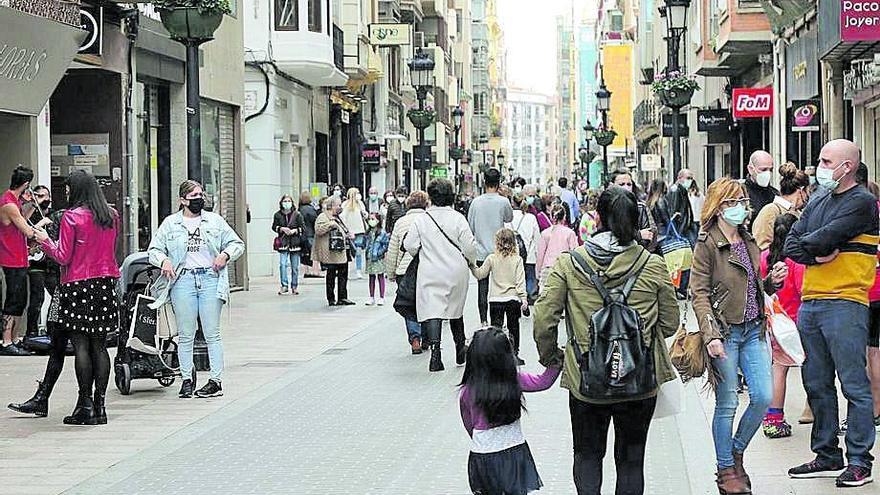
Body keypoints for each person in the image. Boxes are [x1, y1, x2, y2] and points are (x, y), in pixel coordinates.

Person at [534, 186, 680, 495]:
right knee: (631, 460)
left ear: (598, 218)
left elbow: (544, 318)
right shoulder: (653, 265)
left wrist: (552, 358)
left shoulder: (570, 264)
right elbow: (670, 323)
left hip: (587, 382)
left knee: (587, 455)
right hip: (639, 382)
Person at [784, 139, 878, 487]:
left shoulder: (863, 202)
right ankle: (826, 453)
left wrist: (814, 245)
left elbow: (825, 237)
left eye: (825, 161)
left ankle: (859, 461)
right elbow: (791, 243)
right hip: (812, 301)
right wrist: (814, 251)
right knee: (816, 382)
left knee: (854, 383)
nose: (818, 168)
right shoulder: (820, 199)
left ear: (847, 166)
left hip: (846, 301)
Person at [691, 177, 788, 494]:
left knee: (761, 397)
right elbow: (699, 293)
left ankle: (734, 452)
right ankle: (725, 470)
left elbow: (753, 287)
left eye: (743, 202)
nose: (741, 208)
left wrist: (771, 281)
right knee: (728, 402)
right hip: (725, 331)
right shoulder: (707, 243)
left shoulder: (747, 239)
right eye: (733, 202)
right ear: (719, 207)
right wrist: (711, 335)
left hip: (754, 328)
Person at [35, 170, 121, 424]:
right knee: (100, 344)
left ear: (77, 190)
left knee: (81, 345)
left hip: (77, 284)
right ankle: (101, 405)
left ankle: (84, 404)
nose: (68, 193)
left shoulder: (72, 217)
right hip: (105, 283)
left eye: (69, 189)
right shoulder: (111, 216)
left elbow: (63, 256)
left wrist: (44, 241)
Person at [148, 180, 245, 400]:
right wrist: (163, 260)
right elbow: (154, 249)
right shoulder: (171, 224)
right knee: (185, 333)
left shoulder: (214, 221)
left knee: (212, 333)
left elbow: (237, 243)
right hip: (182, 280)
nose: (199, 199)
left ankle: (215, 380)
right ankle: (186, 380)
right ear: (182, 200)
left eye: (201, 194)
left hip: (210, 278)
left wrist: (225, 255)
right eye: (193, 196)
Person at [460, 327, 560, 495]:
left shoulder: (468, 390)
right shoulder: (514, 380)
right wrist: (556, 362)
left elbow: (468, 421)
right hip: (514, 450)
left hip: (483, 454)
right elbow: (543, 382)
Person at [405, 178, 477, 372]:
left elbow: (410, 245)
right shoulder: (458, 218)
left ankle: (435, 354)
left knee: (433, 310)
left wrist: (422, 252)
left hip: (430, 270)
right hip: (456, 270)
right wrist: (470, 260)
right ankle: (460, 349)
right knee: (456, 309)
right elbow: (470, 246)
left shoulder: (422, 219)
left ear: (431, 197)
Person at [759, 213, 805, 439]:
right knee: (785, 369)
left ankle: (771, 418)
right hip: (793, 323)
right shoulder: (796, 262)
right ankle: (775, 419)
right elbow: (802, 291)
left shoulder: (765, 256)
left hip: (771, 321)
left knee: (776, 369)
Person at [471, 229, 529, 365]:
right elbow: (520, 281)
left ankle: (496, 355)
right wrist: (524, 298)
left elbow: (480, 274)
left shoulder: (491, 258)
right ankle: (514, 354)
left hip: (496, 299)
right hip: (513, 299)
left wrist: (471, 265)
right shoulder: (517, 260)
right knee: (514, 327)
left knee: (496, 329)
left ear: (497, 242)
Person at [468, 168, 514, 326]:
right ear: (498, 182)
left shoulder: (475, 202)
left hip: (481, 252)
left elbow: (471, 227)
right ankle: (499, 322)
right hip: (499, 251)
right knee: (501, 286)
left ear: (484, 181)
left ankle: (483, 320)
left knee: (483, 287)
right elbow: (509, 217)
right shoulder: (503, 201)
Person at [0, 165, 38, 355]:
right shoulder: (8, 203)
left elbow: (22, 219)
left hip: (20, 258)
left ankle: (14, 338)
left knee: (21, 299)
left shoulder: (15, 201)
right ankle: (6, 341)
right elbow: (27, 230)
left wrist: (31, 204)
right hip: (11, 259)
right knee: (13, 300)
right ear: (26, 184)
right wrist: (41, 226)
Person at [387, 192, 428, 354]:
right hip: (426, 269)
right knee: (426, 303)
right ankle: (427, 337)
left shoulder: (401, 222)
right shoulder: (430, 220)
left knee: (408, 304)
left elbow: (393, 250)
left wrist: (391, 272)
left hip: (404, 270)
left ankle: (415, 339)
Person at [752, 162, 809, 250]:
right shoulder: (770, 210)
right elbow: (761, 246)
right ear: (801, 190)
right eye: (807, 192)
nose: (808, 196)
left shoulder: (798, 213)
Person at [25, 185, 58, 339]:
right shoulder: (31, 214)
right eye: (41, 196)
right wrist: (40, 223)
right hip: (35, 262)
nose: (45, 199)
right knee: (37, 297)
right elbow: (26, 233)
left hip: (50, 264)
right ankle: (31, 332)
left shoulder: (53, 215)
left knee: (56, 293)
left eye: (47, 196)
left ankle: (52, 329)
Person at [313, 196, 356, 307]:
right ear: (331, 206)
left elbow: (343, 229)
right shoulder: (323, 216)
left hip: (341, 250)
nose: (340, 207)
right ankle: (331, 298)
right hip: (330, 252)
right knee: (331, 275)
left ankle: (343, 297)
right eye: (338, 205)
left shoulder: (337, 217)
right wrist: (330, 225)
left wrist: (348, 234)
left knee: (343, 274)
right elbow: (318, 230)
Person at [609, 170, 657, 249]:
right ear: (612, 185)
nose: (626, 188)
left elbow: (648, 237)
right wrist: (638, 235)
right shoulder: (606, 207)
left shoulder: (641, 208)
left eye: (629, 184)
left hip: (637, 255)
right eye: (621, 184)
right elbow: (606, 239)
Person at [536, 204, 579, 288]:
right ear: (564, 217)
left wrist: (538, 273)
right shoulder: (570, 233)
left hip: (547, 269)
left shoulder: (545, 233)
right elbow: (575, 253)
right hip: (564, 270)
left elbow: (540, 255)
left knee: (546, 298)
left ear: (551, 217)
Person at [509, 196, 541, 304]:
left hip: (513, 252)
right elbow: (537, 237)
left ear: (512, 202)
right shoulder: (531, 217)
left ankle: (517, 296)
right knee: (530, 275)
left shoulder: (508, 218)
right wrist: (537, 252)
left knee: (515, 276)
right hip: (529, 252)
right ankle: (530, 296)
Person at [272, 195, 305, 295]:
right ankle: (284, 285)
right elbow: (274, 227)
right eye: (285, 201)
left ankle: (294, 286)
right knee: (283, 264)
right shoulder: (277, 215)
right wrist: (281, 229)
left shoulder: (297, 215)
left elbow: (303, 228)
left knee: (295, 266)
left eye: (288, 201)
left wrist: (295, 230)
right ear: (281, 203)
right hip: (283, 243)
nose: (287, 203)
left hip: (295, 243)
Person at [744, 150, 780, 230]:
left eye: (770, 170)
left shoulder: (775, 194)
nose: (767, 174)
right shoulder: (742, 194)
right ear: (750, 169)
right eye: (763, 170)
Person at [339, 188, 368, 280]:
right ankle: (347, 270)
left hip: (359, 230)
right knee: (350, 251)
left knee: (358, 250)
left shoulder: (360, 204)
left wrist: (364, 213)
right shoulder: (345, 205)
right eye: (357, 193)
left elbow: (366, 215)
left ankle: (358, 270)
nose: (358, 195)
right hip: (349, 231)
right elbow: (342, 217)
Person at [363, 212, 389, 306]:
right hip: (369, 257)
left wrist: (379, 253)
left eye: (373, 219)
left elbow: (385, 245)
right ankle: (371, 297)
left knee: (380, 276)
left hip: (378, 257)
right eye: (369, 219)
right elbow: (364, 244)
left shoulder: (382, 232)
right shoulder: (368, 232)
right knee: (371, 277)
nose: (371, 221)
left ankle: (381, 297)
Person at [667, 169, 697, 245]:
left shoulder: (683, 190)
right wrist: (677, 232)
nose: (690, 180)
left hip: (686, 227)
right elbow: (673, 212)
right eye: (688, 178)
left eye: (691, 178)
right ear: (680, 178)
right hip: (680, 228)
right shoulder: (676, 190)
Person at [299, 191, 322, 278]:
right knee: (314, 253)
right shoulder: (311, 209)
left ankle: (306, 271)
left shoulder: (299, 209)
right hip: (311, 233)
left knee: (305, 253)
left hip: (303, 234)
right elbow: (315, 221)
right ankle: (315, 271)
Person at [646, 178, 670, 250]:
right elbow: (665, 218)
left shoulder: (649, 201)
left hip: (654, 232)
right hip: (663, 231)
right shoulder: (660, 201)